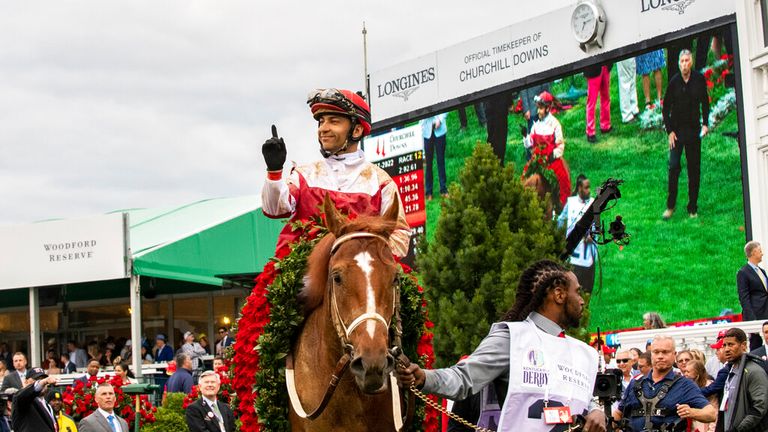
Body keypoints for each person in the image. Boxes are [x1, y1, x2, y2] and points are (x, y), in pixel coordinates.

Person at [396, 259, 607, 431]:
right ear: (559, 294)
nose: (581, 300)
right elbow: (463, 378)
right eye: (577, 292)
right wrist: (424, 377)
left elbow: (584, 399)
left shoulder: (583, 352)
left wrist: (597, 411)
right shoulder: (513, 339)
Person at [260, 88, 410, 257]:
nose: (323, 128)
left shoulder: (381, 182)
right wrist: (274, 171)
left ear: (357, 130)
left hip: (359, 273)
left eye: (333, 121)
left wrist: (364, 258)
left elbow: (399, 235)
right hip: (304, 275)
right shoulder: (305, 175)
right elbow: (275, 209)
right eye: (321, 121)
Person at [616, 335, 716, 431]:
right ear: (651, 355)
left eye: (665, 352)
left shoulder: (685, 385)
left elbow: (711, 414)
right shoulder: (635, 383)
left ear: (674, 355)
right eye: (656, 352)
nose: (660, 356)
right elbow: (618, 413)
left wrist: (691, 412)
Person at [661, 49, 710, 220]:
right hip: (677, 131)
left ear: (692, 61)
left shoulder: (698, 79)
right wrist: (669, 132)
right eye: (681, 61)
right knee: (674, 167)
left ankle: (692, 208)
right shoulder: (674, 82)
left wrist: (705, 124)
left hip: (693, 131)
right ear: (678, 63)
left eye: (687, 61)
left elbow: (705, 102)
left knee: (694, 169)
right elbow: (665, 108)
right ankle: (670, 206)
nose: (684, 64)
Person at [523, 91, 572, 208]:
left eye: (541, 108)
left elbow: (560, 146)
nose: (538, 111)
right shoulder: (535, 126)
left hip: (551, 160)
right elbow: (530, 144)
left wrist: (553, 155)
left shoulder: (555, 124)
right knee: (525, 177)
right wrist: (525, 136)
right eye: (538, 108)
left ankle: (561, 206)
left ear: (548, 108)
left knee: (562, 180)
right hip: (537, 159)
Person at [717, 327, 768, 432]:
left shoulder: (754, 371)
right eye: (724, 345)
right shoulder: (731, 370)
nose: (726, 349)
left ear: (743, 345)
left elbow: (759, 408)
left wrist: (738, 429)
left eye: (731, 345)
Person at [558, 174, 597, 293]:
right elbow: (560, 221)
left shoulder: (593, 203)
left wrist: (592, 236)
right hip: (573, 259)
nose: (589, 190)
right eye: (586, 188)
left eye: (589, 187)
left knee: (587, 292)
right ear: (579, 188)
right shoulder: (571, 203)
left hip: (589, 258)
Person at [10, 368, 58, 432]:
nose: (41, 382)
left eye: (43, 378)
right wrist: (44, 381)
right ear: (26, 382)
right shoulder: (22, 400)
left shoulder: (47, 405)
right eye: (36, 379)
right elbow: (22, 395)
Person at [420, 113, 449, 200]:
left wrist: (439, 120)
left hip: (440, 130)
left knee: (441, 161)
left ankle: (443, 189)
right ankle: (429, 192)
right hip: (426, 131)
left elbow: (445, 108)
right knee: (428, 163)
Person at [737, 241, 768, 321]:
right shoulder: (743, 272)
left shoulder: (762, 271)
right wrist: (752, 319)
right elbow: (744, 298)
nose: (762, 254)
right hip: (756, 316)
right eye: (760, 251)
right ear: (754, 253)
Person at [682, 360, 717, 432]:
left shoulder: (709, 386)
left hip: (705, 424)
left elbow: (715, 410)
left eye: (688, 372)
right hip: (691, 424)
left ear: (697, 373)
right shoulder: (686, 385)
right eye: (685, 371)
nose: (685, 374)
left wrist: (711, 430)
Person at [583, 63, 612, 143]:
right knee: (592, 101)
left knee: (606, 96)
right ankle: (590, 132)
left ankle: (606, 126)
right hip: (593, 68)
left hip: (605, 65)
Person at [616, 57, 640, 123]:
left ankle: (634, 109)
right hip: (622, 51)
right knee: (625, 81)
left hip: (629, 49)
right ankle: (627, 115)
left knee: (632, 77)